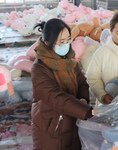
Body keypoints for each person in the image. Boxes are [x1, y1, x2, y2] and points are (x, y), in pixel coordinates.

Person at [31, 18, 93, 150]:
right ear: (48, 43)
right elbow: (55, 97)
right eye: (61, 42)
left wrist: (83, 99)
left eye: (68, 39)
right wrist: (86, 111)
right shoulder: (39, 68)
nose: (66, 44)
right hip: (51, 126)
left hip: (72, 119)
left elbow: (82, 82)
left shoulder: (70, 60)